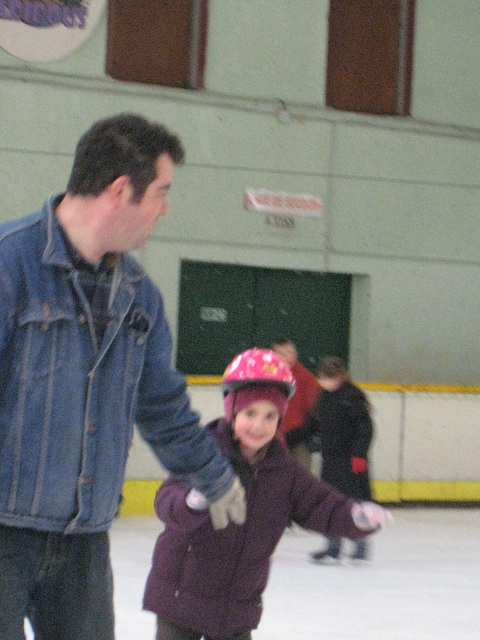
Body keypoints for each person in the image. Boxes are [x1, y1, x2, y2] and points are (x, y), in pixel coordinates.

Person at [0, 113, 246, 640]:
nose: (165, 208)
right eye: (160, 192)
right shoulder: (8, 266)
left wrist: (215, 477)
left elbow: (162, 408)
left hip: (82, 543)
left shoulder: (140, 297)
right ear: (118, 191)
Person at [143, 348, 392, 640]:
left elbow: (319, 504)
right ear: (232, 411)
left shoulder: (283, 468)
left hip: (238, 604)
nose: (259, 425)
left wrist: (355, 516)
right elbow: (165, 501)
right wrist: (192, 502)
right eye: (250, 413)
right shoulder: (205, 454)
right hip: (181, 597)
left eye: (270, 416)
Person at [285, 356, 374, 562]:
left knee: (353, 505)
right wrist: (288, 439)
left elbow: (365, 430)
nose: (327, 382)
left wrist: (359, 454)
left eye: (331, 378)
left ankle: (360, 544)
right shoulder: (323, 399)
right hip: (331, 461)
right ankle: (333, 546)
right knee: (329, 505)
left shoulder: (352, 398)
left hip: (352, 463)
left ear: (341, 377)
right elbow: (311, 426)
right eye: (324, 378)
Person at [271, 337, 320, 470]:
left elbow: (315, 411)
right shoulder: (268, 377)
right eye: (281, 353)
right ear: (274, 355)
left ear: (295, 354)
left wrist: (296, 435)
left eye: (289, 352)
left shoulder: (306, 378)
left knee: (302, 477)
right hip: (270, 438)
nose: (285, 357)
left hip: (297, 440)